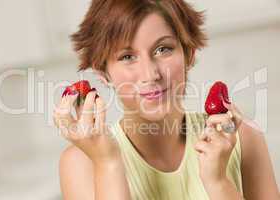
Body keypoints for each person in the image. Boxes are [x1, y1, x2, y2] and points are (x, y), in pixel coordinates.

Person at [53, 0, 280, 199]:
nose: (151, 74)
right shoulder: (82, 163)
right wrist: (108, 163)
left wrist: (218, 182)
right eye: (127, 56)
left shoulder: (243, 138)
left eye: (163, 49)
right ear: (103, 72)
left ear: (188, 53)